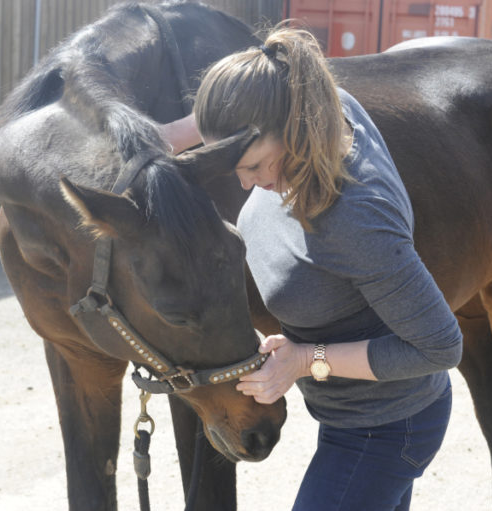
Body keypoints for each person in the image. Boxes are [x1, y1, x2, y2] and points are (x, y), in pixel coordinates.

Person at [169, 27, 463, 511]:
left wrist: (305, 359)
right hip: (347, 417)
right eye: (235, 168)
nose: (246, 184)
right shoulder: (330, 108)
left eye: (256, 165)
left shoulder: (353, 216)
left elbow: (439, 347)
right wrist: (175, 136)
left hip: (387, 425)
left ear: (292, 126)